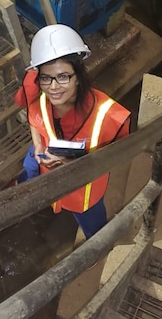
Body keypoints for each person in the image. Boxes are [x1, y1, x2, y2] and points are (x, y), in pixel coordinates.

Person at [14, 24, 132, 239]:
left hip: (83, 188)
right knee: (28, 175)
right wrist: (38, 143)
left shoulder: (109, 116)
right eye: (46, 78)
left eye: (63, 77)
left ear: (78, 75)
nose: (53, 87)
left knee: (92, 223)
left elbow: (116, 158)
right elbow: (31, 109)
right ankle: (24, 195)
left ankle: (96, 247)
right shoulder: (34, 84)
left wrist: (68, 164)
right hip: (42, 157)